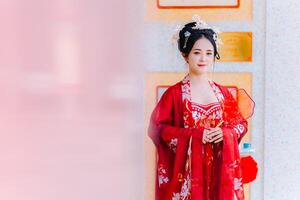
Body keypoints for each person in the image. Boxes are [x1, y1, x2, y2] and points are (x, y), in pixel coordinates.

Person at [148, 16, 250, 200]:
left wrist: (226, 133)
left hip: (219, 171)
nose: (203, 58)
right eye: (197, 52)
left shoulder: (222, 93)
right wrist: (194, 135)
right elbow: (157, 129)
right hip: (189, 174)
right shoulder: (174, 95)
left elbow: (240, 124)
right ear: (185, 55)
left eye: (209, 53)